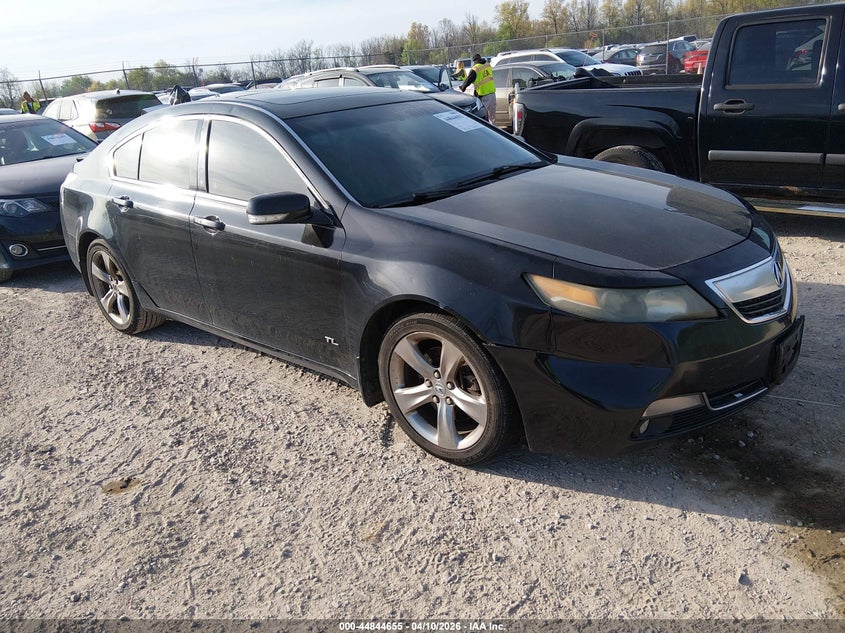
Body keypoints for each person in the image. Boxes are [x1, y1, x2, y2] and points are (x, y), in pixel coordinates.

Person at [459, 53, 496, 125]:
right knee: (492, 118)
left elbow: (468, 80)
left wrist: (463, 87)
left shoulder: (475, 69)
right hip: (492, 94)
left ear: (474, 61)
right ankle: (494, 130)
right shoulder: (488, 65)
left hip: (483, 95)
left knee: (483, 118)